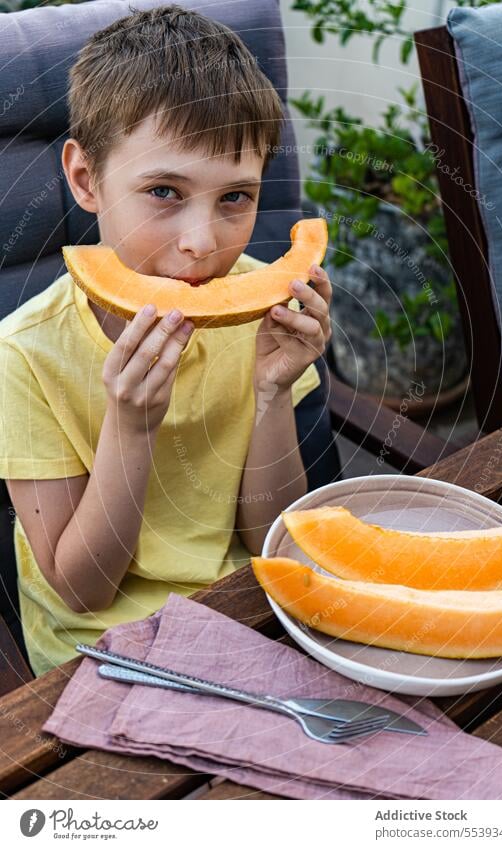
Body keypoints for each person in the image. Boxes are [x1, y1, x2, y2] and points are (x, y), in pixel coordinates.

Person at [0, 5, 332, 677]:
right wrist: (131, 425)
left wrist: (271, 391)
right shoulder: (24, 355)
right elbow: (80, 588)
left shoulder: (259, 307)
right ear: (87, 179)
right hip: (105, 652)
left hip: (248, 611)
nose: (201, 243)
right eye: (163, 191)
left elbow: (266, 536)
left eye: (235, 198)